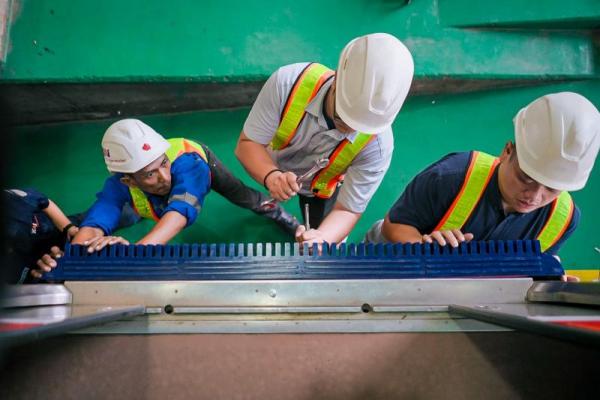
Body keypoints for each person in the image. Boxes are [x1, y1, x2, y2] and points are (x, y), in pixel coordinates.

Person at [365, 92, 600, 258]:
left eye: (551, 188)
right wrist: (424, 250)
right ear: (506, 152)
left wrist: (550, 284)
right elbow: (394, 225)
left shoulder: (562, 219)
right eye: (526, 179)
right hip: (402, 265)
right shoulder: (450, 177)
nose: (535, 196)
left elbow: (535, 269)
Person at [235, 33, 414, 245]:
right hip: (273, 164)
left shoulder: (378, 145)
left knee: (325, 242)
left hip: (323, 187)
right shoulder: (288, 83)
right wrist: (271, 176)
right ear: (337, 77)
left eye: (360, 127)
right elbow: (248, 144)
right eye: (343, 117)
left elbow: (347, 209)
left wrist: (322, 239)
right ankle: (275, 209)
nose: (348, 132)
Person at [64, 119, 299, 254]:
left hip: (201, 162)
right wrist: (78, 255)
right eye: (150, 174)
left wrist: (133, 254)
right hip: (145, 197)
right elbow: (94, 226)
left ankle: (278, 213)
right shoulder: (117, 185)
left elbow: (179, 213)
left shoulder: (189, 164)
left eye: (163, 163)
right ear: (127, 180)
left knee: (241, 195)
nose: (164, 177)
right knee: (119, 215)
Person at [1, 188, 83, 282]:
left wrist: (69, 228)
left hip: (57, 230)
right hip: (39, 268)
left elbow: (45, 203)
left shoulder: (15, 200)